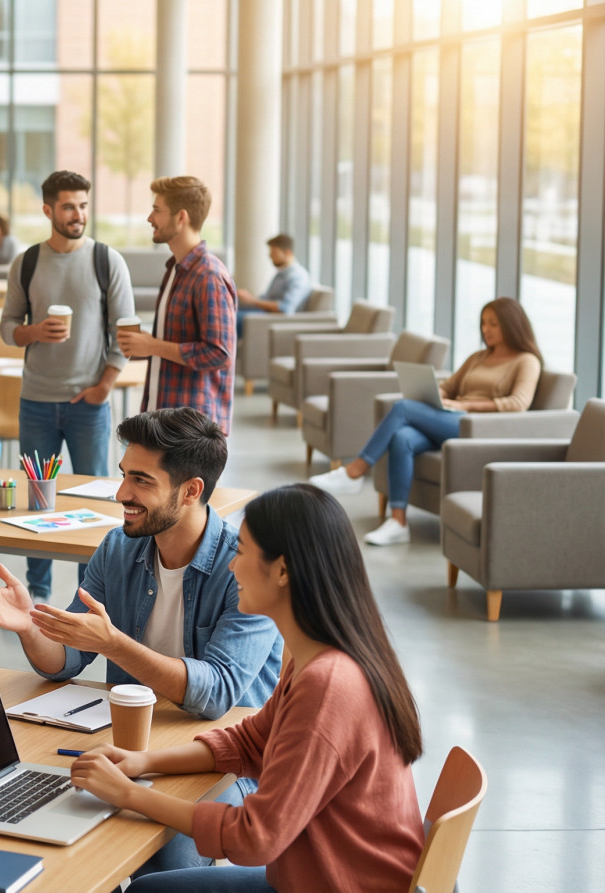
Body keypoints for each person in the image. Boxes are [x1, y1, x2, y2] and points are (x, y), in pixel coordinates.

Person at [0, 407, 281, 876]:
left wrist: (115, 645)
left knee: (166, 866)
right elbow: (68, 659)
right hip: (128, 749)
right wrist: (31, 627)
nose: (122, 495)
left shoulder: (244, 568)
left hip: (224, 764)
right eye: (123, 477)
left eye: (141, 481)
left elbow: (216, 694)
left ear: (191, 490)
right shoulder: (119, 548)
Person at [75, 484, 425, 893]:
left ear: (282, 571)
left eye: (241, 552)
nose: (231, 567)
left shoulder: (328, 684)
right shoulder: (318, 657)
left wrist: (128, 796)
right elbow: (249, 743)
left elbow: (254, 837)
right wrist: (141, 763)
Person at [1, 170, 136, 603]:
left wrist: (105, 385)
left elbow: (125, 332)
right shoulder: (27, 262)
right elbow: (7, 327)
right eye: (68, 206)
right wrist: (34, 332)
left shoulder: (106, 260)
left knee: (92, 505)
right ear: (48, 210)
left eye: (83, 205)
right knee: (36, 502)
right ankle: (35, 594)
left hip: (88, 403)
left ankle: (90, 595)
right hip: (36, 400)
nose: (78, 214)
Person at [310, 297, 543, 545]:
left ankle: (354, 472)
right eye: (483, 323)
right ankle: (398, 522)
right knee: (402, 438)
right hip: (452, 419)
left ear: (511, 324)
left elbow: (518, 403)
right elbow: (449, 386)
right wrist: (434, 396)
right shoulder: (478, 357)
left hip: (479, 428)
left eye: (493, 324)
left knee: (401, 408)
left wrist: (464, 405)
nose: (486, 329)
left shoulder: (526, 361)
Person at [119, 176, 236, 433]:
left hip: (191, 429)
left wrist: (154, 345)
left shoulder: (209, 276)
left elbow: (219, 353)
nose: (150, 218)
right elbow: (175, 345)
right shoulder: (175, 268)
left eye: (157, 210)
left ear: (181, 217)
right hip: (165, 418)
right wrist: (146, 346)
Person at [235, 233, 312, 337]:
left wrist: (252, 300)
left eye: (274, 252)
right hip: (265, 313)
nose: (270, 255)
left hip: (276, 320)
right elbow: (266, 298)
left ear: (287, 252)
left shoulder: (298, 277)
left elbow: (285, 308)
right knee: (229, 311)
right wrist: (246, 299)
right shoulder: (281, 274)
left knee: (230, 319)